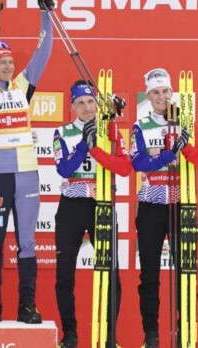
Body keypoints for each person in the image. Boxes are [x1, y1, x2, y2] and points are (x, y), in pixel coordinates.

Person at [0, 0, 54, 325]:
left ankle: (27, 306)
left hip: (28, 177)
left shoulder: (22, 87)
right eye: (0, 61)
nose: (6, 66)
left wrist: (45, 14)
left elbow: (43, 52)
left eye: (9, 62)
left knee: (28, 243)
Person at [130, 68, 198, 348]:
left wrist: (185, 147)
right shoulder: (140, 126)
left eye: (166, 91)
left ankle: (185, 332)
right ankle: (150, 335)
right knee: (149, 275)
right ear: (148, 95)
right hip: (151, 206)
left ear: (172, 92)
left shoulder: (185, 122)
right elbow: (138, 163)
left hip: (181, 206)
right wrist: (167, 154)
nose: (161, 97)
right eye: (155, 92)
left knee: (186, 272)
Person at [53, 81, 130, 348]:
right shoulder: (62, 131)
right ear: (72, 106)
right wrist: (84, 145)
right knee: (64, 274)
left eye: (90, 102)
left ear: (97, 104)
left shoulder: (111, 131)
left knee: (111, 272)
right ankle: (70, 335)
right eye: (80, 103)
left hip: (102, 204)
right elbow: (64, 169)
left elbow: (124, 168)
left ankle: (110, 337)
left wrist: (97, 145)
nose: (86, 108)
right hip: (72, 206)